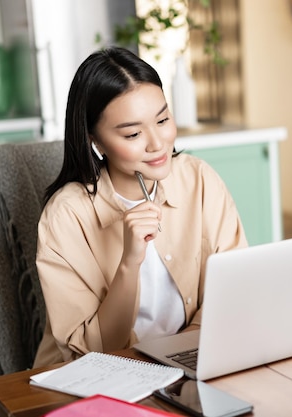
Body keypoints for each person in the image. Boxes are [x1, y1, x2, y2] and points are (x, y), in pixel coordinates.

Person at [33, 47, 247, 367]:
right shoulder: (65, 216)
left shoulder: (198, 178)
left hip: (189, 361)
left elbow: (234, 284)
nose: (157, 143)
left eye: (162, 119)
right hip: (98, 374)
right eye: (133, 133)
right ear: (96, 141)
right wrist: (129, 262)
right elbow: (95, 352)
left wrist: (187, 354)